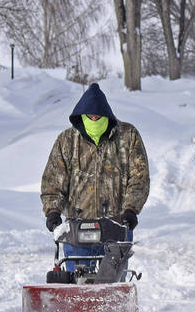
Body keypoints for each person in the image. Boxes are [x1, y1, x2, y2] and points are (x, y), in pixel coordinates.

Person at [40, 82, 149, 234]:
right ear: (81, 115)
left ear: (106, 114)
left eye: (98, 116)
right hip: (76, 227)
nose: (94, 119)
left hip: (116, 224)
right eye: (90, 116)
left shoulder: (128, 136)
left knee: (113, 258)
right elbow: (53, 180)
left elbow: (139, 177)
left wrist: (131, 209)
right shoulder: (67, 140)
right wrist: (53, 210)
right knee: (76, 259)